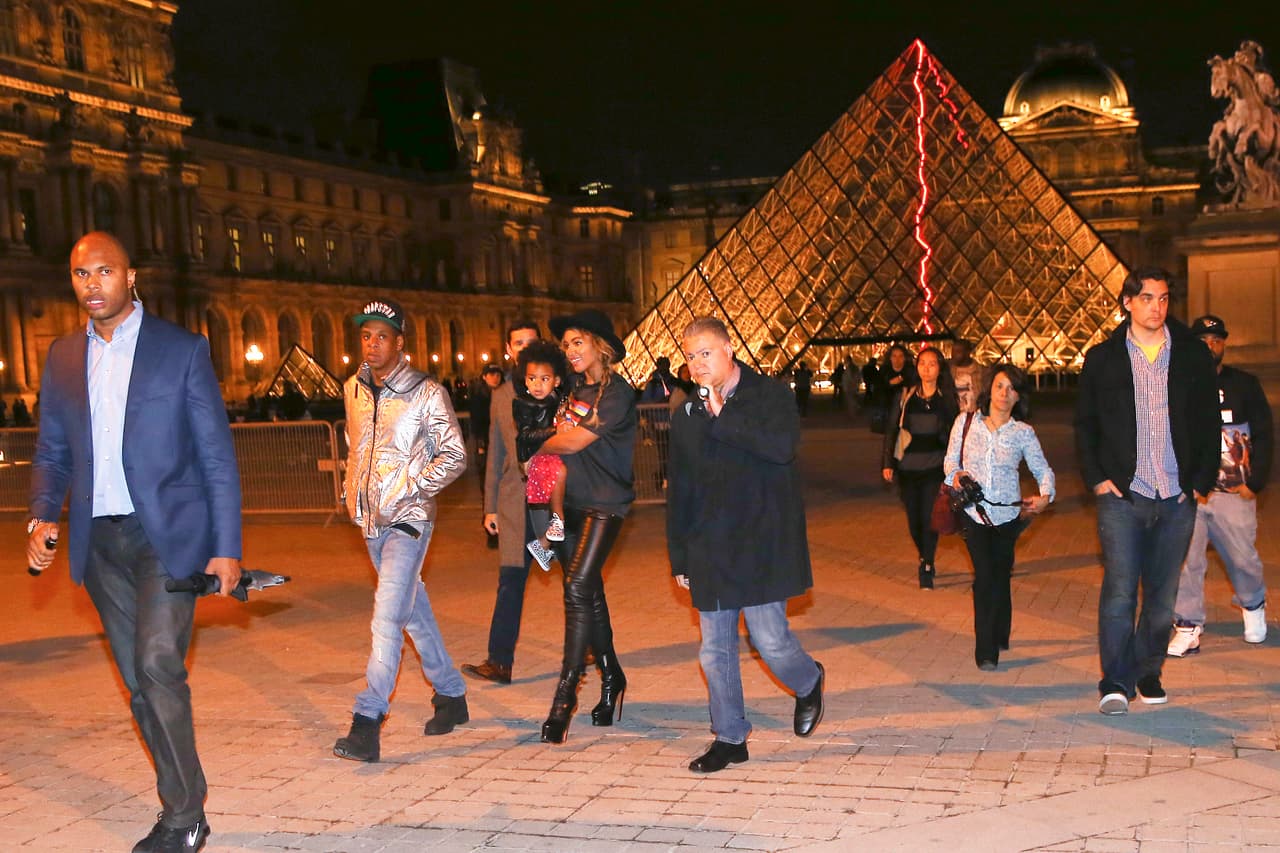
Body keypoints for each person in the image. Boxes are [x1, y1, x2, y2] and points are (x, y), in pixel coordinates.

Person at [28, 231, 242, 853]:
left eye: (104, 272)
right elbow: (51, 450)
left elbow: (216, 457)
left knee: (156, 662)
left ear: (131, 276)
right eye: (79, 274)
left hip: (164, 540)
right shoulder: (63, 356)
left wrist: (225, 547)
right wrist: (41, 517)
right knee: (137, 680)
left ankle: (183, 814)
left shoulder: (180, 350)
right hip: (99, 544)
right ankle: (186, 798)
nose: (91, 284)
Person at [668, 317, 825, 773]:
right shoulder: (685, 413)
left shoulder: (769, 396)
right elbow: (681, 487)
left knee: (770, 641)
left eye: (706, 353)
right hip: (709, 545)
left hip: (759, 542)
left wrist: (725, 415)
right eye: (691, 355)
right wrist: (679, 553)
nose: (697, 363)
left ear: (728, 349)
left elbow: (781, 448)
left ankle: (808, 680)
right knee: (714, 650)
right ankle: (730, 736)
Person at [1075, 267, 1219, 716]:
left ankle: (1147, 671)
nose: (1156, 307)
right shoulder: (1102, 358)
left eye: (1162, 298)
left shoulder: (1192, 355)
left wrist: (1198, 484)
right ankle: (1115, 681)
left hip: (1176, 494)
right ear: (1127, 303)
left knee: (1161, 599)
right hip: (1124, 494)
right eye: (1147, 298)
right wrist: (1098, 479)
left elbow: (1208, 424)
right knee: (1120, 591)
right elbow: (1085, 425)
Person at [333, 298, 470, 762]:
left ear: (400, 342)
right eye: (366, 336)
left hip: (408, 520)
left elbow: (454, 454)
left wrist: (411, 487)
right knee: (412, 613)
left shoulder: (426, 392)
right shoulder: (352, 388)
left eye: (381, 337)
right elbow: (357, 445)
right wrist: (353, 489)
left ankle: (367, 721)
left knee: (387, 616)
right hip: (370, 521)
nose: (372, 345)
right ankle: (451, 694)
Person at [533, 309, 637, 744]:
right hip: (571, 503)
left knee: (576, 588)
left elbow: (573, 439)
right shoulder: (573, 390)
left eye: (578, 342)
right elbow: (555, 428)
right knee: (587, 592)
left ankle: (565, 697)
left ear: (600, 345)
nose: (571, 351)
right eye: (567, 345)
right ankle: (611, 677)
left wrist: (533, 441)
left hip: (605, 505)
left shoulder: (618, 394)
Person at [1168, 315, 1273, 656]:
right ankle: (1187, 625)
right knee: (1187, 560)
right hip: (1193, 492)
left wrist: (1254, 483)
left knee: (1243, 558)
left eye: (1217, 339)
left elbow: (1265, 434)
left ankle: (1253, 605)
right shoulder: (1180, 386)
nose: (1211, 345)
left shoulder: (1244, 384)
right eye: (1204, 340)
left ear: (1224, 344)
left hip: (1233, 491)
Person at [944, 365, 1055, 670]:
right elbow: (950, 461)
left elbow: (1042, 470)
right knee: (984, 576)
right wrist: (957, 476)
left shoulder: (1023, 433)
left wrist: (1046, 496)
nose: (1004, 394)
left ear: (1019, 396)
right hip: (974, 513)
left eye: (1012, 388)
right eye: (1000, 386)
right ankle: (986, 648)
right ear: (989, 389)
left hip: (1007, 516)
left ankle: (1001, 632)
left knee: (1001, 573)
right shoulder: (966, 423)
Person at [463, 320, 541, 685]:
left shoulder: (558, 386)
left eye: (531, 342)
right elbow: (495, 453)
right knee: (511, 578)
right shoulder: (502, 394)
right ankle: (500, 661)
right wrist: (489, 506)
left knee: (578, 577)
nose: (524, 349)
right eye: (518, 343)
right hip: (514, 501)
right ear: (509, 349)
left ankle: (593, 645)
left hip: (554, 501)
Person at [882, 346, 959, 589]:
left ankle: (927, 563)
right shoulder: (905, 396)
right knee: (914, 521)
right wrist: (887, 463)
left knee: (929, 517)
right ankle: (924, 553)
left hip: (935, 468)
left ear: (939, 369)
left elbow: (955, 435)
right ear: (917, 367)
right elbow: (892, 430)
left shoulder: (946, 399)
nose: (926, 368)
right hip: (908, 469)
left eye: (932, 363)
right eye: (922, 363)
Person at [514, 339, 574, 570]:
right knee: (561, 473)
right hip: (534, 456)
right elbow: (525, 435)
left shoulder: (556, 399)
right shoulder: (522, 404)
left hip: (548, 453)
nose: (537, 385)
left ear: (556, 380)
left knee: (561, 474)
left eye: (544, 379)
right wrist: (555, 429)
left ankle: (544, 543)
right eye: (531, 379)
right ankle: (555, 525)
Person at [471, 363, 503, 500]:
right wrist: (480, 445)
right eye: (491, 374)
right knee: (487, 478)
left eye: (497, 374)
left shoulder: (504, 394)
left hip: (502, 443)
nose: (495, 378)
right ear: (484, 377)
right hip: (486, 442)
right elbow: (476, 422)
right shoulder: (479, 396)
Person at [950, 339, 983, 415]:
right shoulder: (947, 371)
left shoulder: (982, 372)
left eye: (958, 351)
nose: (953, 355)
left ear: (968, 352)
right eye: (953, 351)